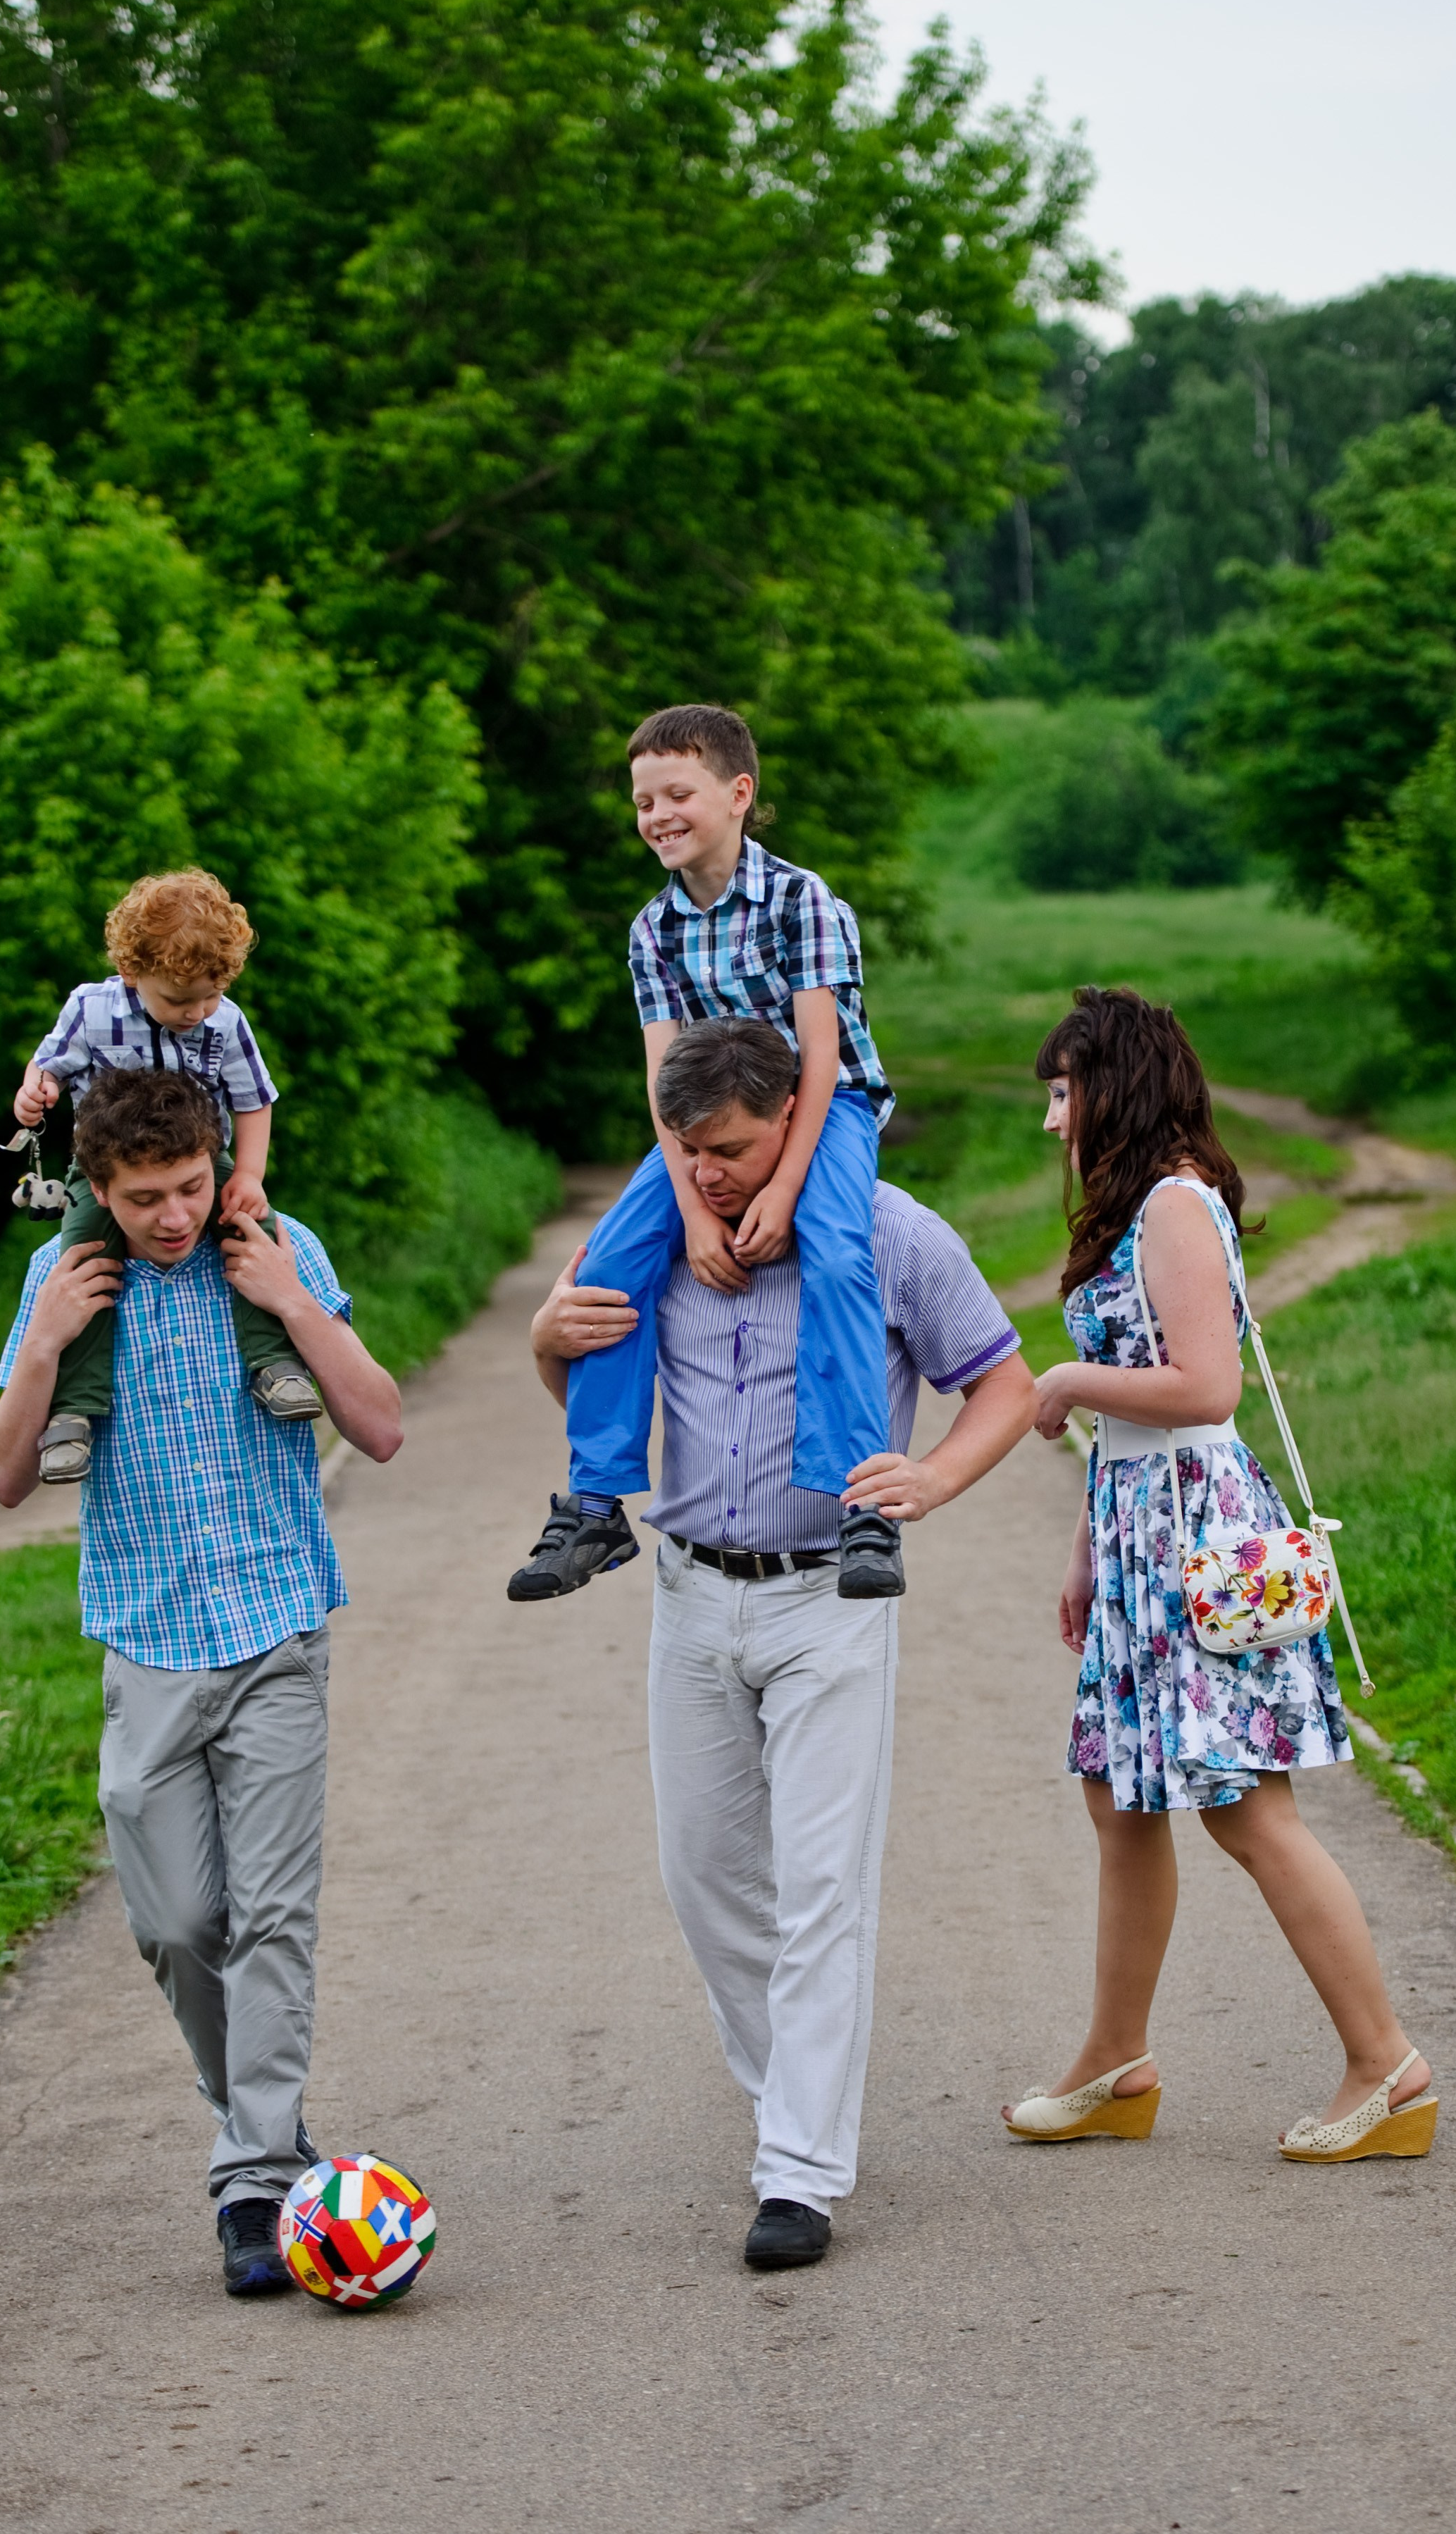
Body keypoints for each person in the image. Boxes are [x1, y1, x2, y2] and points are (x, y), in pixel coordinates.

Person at [530, 1019, 1035, 2266]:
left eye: (734, 1148)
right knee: (704, 1877)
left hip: (830, 1603)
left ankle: (799, 2169)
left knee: (822, 1887)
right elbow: (580, 1385)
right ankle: (790, 2104)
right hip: (693, 1593)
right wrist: (552, 1339)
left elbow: (1008, 1384)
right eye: (689, 1150)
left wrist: (933, 1480)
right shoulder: (659, 1239)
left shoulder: (892, 1236)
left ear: (796, 1125)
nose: (707, 1172)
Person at [0, 1065, 405, 2293]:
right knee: (177, 1926)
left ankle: (255, 2179)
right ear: (97, 1191)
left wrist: (297, 1305)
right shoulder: (70, 1285)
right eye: (142, 1196)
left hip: (276, 1630)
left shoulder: (275, 1248)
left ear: (219, 1164)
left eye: (189, 1185)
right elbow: (5, 1477)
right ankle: (262, 2126)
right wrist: (46, 1347)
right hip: (147, 1642)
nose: (172, 1216)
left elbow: (379, 1428)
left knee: (271, 1917)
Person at [1009, 985, 1436, 2163]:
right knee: (1119, 1796)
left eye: (1063, 1091)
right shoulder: (1139, 1206)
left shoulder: (1175, 1207)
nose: (1053, 1121)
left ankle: (1386, 2065)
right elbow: (1152, 1417)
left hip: (1194, 1533)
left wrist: (1065, 1384)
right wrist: (1090, 1547)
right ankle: (1114, 2061)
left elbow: (1204, 1390)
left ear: (1118, 1084)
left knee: (1248, 1809)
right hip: (1144, 1526)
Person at [510, 704, 904, 1606]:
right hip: (704, 1116)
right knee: (608, 1266)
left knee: (838, 1251)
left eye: (676, 793)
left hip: (823, 1105)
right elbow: (663, 1084)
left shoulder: (802, 900)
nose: (657, 815)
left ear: (738, 793)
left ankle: (861, 1503)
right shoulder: (653, 929)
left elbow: (820, 1055)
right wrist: (693, 1204)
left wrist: (787, 1187)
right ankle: (597, 1499)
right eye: (643, 800)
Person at [13, 867, 318, 1487]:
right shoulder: (90, 1008)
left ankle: (275, 1364)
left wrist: (250, 1175)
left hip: (200, 1161)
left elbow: (254, 1100)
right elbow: (47, 1066)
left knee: (252, 1230)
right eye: (180, 1001)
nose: (196, 1012)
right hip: (105, 1169)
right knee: (84, 1260)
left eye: (209, 995)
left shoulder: (225, 1022)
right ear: (132, 972)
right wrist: (35, 1091)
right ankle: (75, 1408)